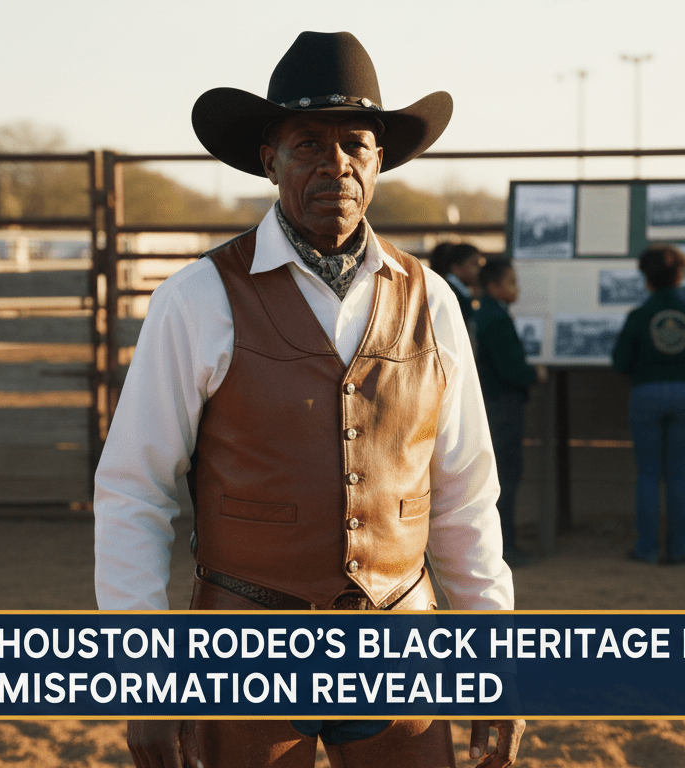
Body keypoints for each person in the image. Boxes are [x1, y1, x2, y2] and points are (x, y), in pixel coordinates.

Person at [93, 31, 523, 768]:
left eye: (356, 142)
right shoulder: (196, 299)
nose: (336, 164)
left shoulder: (434, 301)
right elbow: (134, 491)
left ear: (380, 158)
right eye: (307, 143)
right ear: (270, 159)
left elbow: (462, 493)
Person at [611, 245, 685, 565]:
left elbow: (621, 361)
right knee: (678, 474)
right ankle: (680, 548)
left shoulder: (639, 317)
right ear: (679, 277)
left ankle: (647, 548)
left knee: (648, 475)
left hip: (646, 394)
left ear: (646, 278)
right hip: (683, 393)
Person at [473, 257, 544, 567]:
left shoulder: (487, 314)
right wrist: (534, 374)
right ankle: (505, 546)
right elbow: (511, 368)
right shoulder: (496, 319)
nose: (517, 288)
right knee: (506, 476)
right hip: (502, 404)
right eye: (512, 282)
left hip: (491, 403)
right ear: (494, 286)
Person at [430, 241, 485, 325]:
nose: (479, 270)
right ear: (456, 266)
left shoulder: (460, 292)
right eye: (475, 264)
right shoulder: (450, 292)